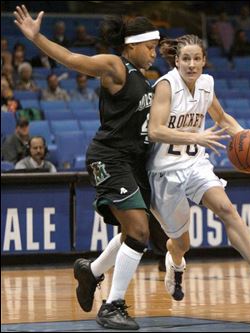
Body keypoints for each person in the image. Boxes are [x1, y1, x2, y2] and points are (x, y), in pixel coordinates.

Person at [13, 5, 159, 330]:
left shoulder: (147, 79)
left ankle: (90, 272)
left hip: (133, 161)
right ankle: (112, 306)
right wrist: (37, 38)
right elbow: (71, 59)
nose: (154, 53)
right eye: (150, 47)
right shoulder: (115, 66)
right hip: (109, 157)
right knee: (138, 230)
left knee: (131, 233)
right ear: (132, 45)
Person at [147, 34, 250, 302]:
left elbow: (221, 117)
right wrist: (196, 137)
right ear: (177, 61)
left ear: (204, 60)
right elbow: (155, 131)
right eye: (186, 59)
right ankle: (175, 261)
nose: (191, 64)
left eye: (196, 58)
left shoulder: (206, 84)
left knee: (227, 209)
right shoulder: (166, 86)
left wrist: (245, 136)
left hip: (194, 164)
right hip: (164, 172)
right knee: (182, 243)